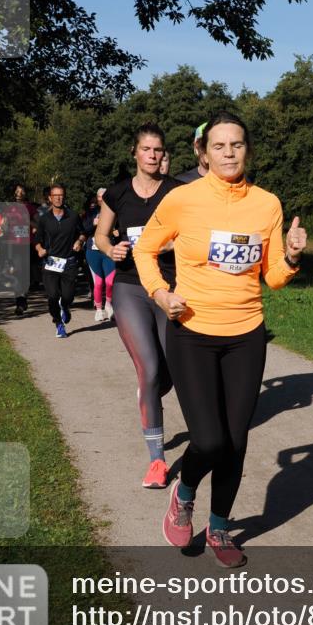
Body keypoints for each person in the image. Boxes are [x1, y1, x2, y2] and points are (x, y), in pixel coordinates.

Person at [133, 111, 307, 568]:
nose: (228, 153)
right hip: (192, 331)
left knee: (235, 440)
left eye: (236, 145)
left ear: (247, 149)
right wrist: (159, 292)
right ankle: (184, 493)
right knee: (208, 440)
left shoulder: (267, 203)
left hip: (246, 335)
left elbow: (272, 278)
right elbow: (144, 249)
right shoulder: (182, 199)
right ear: (202, 151)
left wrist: (289, 257)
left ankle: (221, 527)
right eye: (219, 146)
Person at [95, 123, 183, 489]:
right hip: (130, 287)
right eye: (146, 149)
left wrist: (175, 246)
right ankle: (157, 461)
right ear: (134, 153)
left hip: (168, 288)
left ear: (164, 155)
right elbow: (101, 233)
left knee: (173, 368)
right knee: (147, 369)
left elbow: (196, 234)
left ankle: (151, 391)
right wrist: (109, 249)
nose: (152, 155)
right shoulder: (116, 194)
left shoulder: (179, 192)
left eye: (158, 150)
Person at [34, 183, 87, 338]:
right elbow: (37, 239)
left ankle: (65, 306)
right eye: (55, 195)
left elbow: (83, 233)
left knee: (68, 296)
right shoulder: (44, 219)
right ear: (50, 198)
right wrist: (39, 249)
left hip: (69, 262)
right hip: (50, 263)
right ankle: (58, 323)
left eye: (61, 195)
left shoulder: (73, 216)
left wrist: (80, 241)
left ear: (64, 196)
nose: (58, 198)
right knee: (52, 296)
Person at [4, 184, 39, 315]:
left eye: (21, 191)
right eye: (17, 191)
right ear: (14, 193)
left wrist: (29, 222)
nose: (19, 193)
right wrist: (3, 227)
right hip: (14, 244)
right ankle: (20, 301)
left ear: (25, 193)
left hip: (27, 244)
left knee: (25, 273)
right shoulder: (9, 208)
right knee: (17, 272)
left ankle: (24, 295)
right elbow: (5, 226)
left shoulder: (30, 207)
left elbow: (37, 224)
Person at [83, 187, 116, 323]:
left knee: (110, 282)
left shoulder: (115, 211)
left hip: (108, 250)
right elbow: (84, 229)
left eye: (105, 196)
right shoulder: (91, 213)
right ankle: (98, 309)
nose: (102, 199)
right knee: (99, 283)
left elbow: (120, 227)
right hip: (93, 251)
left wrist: (117, 231)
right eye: (100, 197)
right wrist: (93, 223)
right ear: (97, 199)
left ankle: (108, 305)